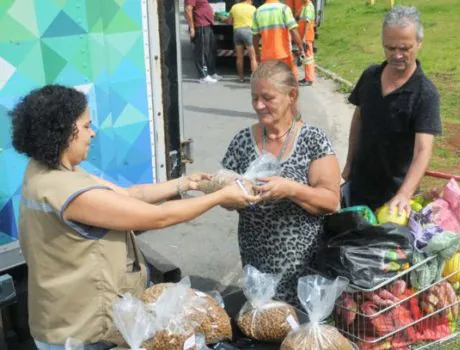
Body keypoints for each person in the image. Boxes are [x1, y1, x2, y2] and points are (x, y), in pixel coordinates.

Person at [10, 85, 256, 350]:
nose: (92, 133)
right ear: (63, 132)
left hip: (60, 319)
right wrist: (220, 197)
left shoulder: (46, 172)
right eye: (86, 126)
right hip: (83, 332)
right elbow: (157, 217)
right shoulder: (70, 192)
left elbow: (129, 195)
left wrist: (186, 183)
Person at [221, 61, 340, 306]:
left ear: (291, 95)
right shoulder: (243, 140)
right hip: (256, 262)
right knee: (260, 326)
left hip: (302, 267)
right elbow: (225, 196)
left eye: (267, 98)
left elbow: (331, 201)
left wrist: (291, 189)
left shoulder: (313, 140)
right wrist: (227, 189)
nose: (259, 106)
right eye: (254, 98)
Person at [342, 5, 442, 215]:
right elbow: (358, 119)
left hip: (395, 201)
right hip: (359, 188)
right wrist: (349, 163)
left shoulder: (425, 94)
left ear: (419, 44)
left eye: (405, 48)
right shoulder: (370, 77)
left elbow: (423, 150)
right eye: (390, 48)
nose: (397, 55)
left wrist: (404, 194)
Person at [252, 0, 305, 80]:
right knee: (289, 81)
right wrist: (301, 48)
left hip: (266, 56)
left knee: (270, 82)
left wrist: (257, 54)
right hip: (283, 54)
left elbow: (255, 37)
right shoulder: (284, 8)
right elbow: (293, 31)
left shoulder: (257, 11)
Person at [184, 0, 222, 83]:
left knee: (210, 50)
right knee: (201, 52)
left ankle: (211, 72)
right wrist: (192, 27)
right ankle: (203, 76)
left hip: (207, 25)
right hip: (200, 26)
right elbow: (188, 9)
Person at [223, 0, 257, 82]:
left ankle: (241, 78)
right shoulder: (253, 8)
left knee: (239, 57)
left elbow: (230, 22)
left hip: (237, 31)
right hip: (248, 31)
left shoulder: (234, 7)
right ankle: (255, 79)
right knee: (252, 57)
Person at [298, 0, 316, 86]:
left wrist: (304, 37)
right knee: (306, 57)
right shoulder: (305, 5)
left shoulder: (308, 6)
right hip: (305, 36)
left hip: (307, 36)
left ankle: (309, 79)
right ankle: (307, 77)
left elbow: (307, 23)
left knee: (308, 57)